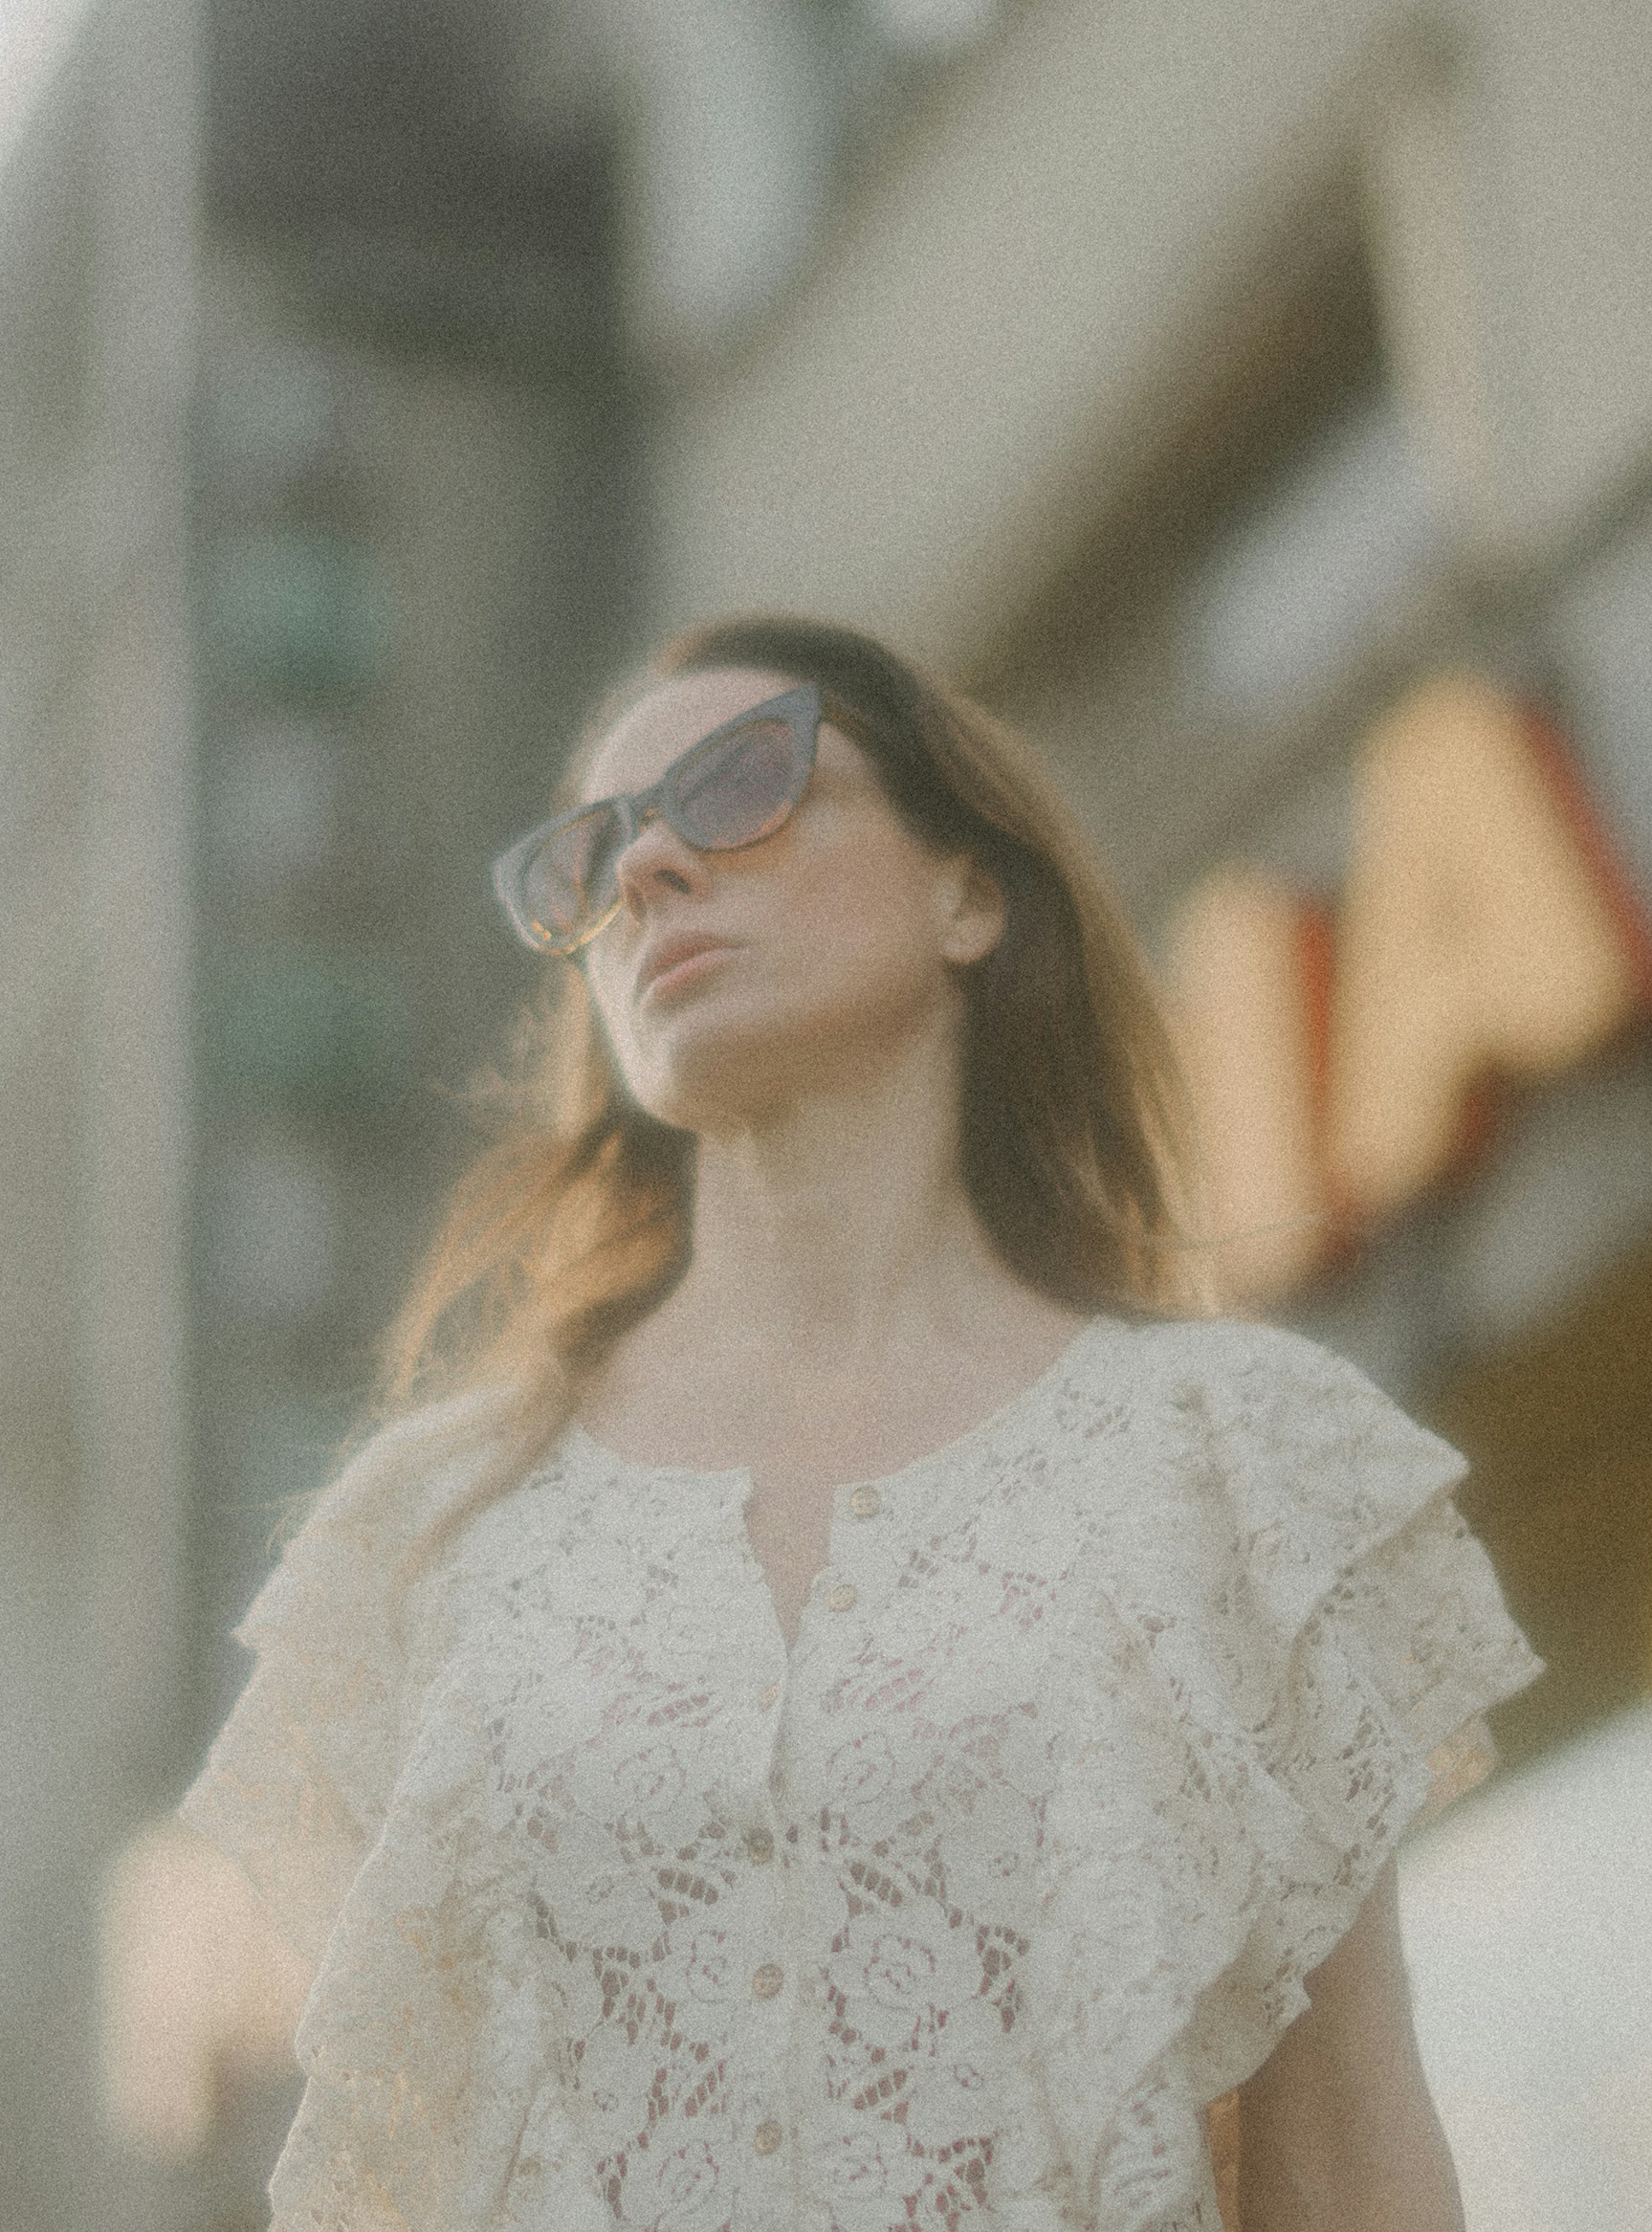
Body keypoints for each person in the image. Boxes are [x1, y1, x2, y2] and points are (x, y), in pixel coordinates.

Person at [180, 615, 1544, 2232]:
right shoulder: (432, 1534)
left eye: (740, 785)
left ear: (969, 890)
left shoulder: (1231, 1460)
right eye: (593, 856)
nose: (649, 871)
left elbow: (1349, 2159)